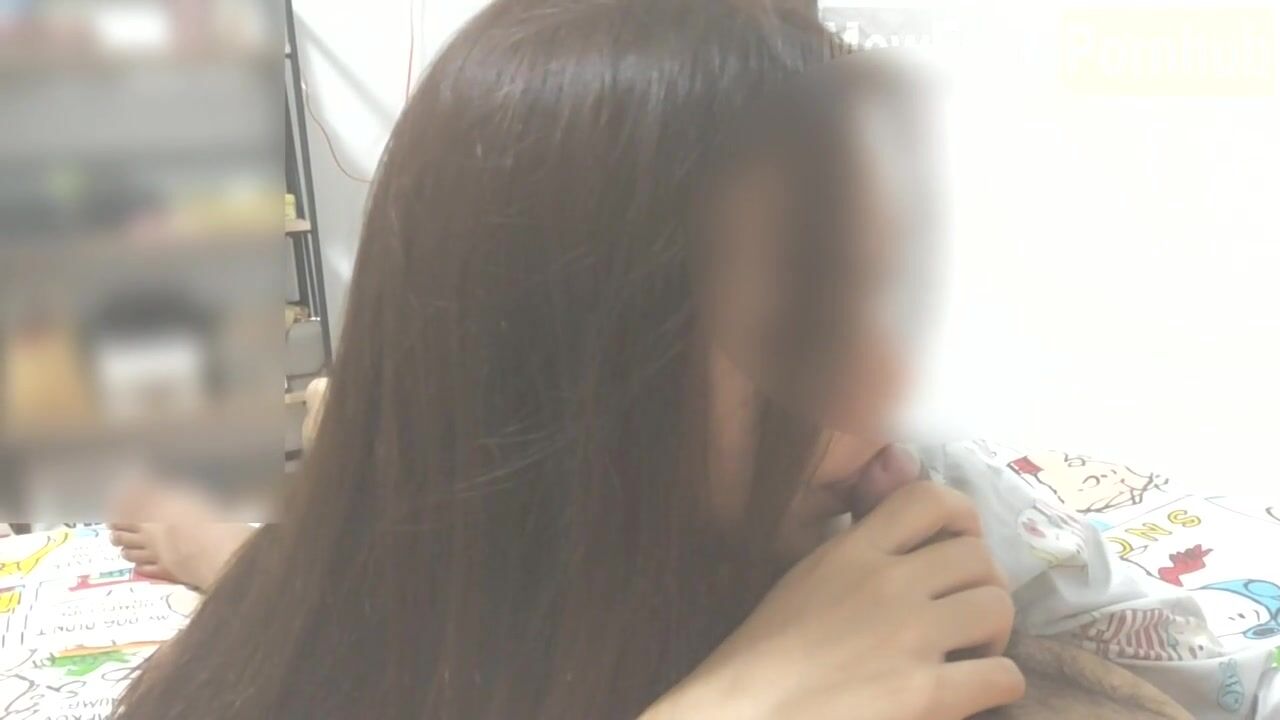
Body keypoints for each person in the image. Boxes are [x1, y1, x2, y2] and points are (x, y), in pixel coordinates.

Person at [110, 2, 1276, 719]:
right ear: (565, 359)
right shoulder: (415, 560)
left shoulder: (932, 496)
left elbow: (1212, 666)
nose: (887, 389)